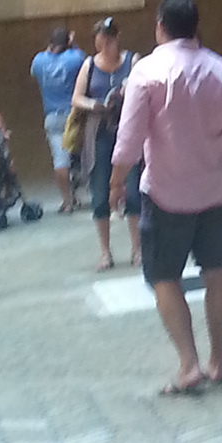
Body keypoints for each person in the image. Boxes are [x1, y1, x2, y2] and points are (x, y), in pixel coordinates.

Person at [110, 0, 222, 396]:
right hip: (215, 191)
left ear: (160, 26)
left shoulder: (147, 73)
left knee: (164, 278)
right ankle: (218, 362)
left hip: (166, 194)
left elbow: (129, 140)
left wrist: (116, 182)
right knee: (216, 272)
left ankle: (189, 363)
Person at [71, 15, 136, 269]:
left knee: (133, 191)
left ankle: (136, 248)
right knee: (99, 194)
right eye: (99, 44)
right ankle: (105, 252)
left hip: (128, 132)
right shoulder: (89, 65)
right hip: (99, 133)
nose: (103, 49)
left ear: (116, 39)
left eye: (107, 43)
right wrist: (93, 104)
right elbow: (76, 97)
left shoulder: (132, 61)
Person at [30, 24, 86, 212]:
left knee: (60, 161)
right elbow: (86, 64)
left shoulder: (38, 61)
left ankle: (67, 201)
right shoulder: (75, 57)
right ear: (67, 41)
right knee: (85, 155)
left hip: (52, 116)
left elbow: (35, 69)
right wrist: (73, 43)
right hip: (75, 115)